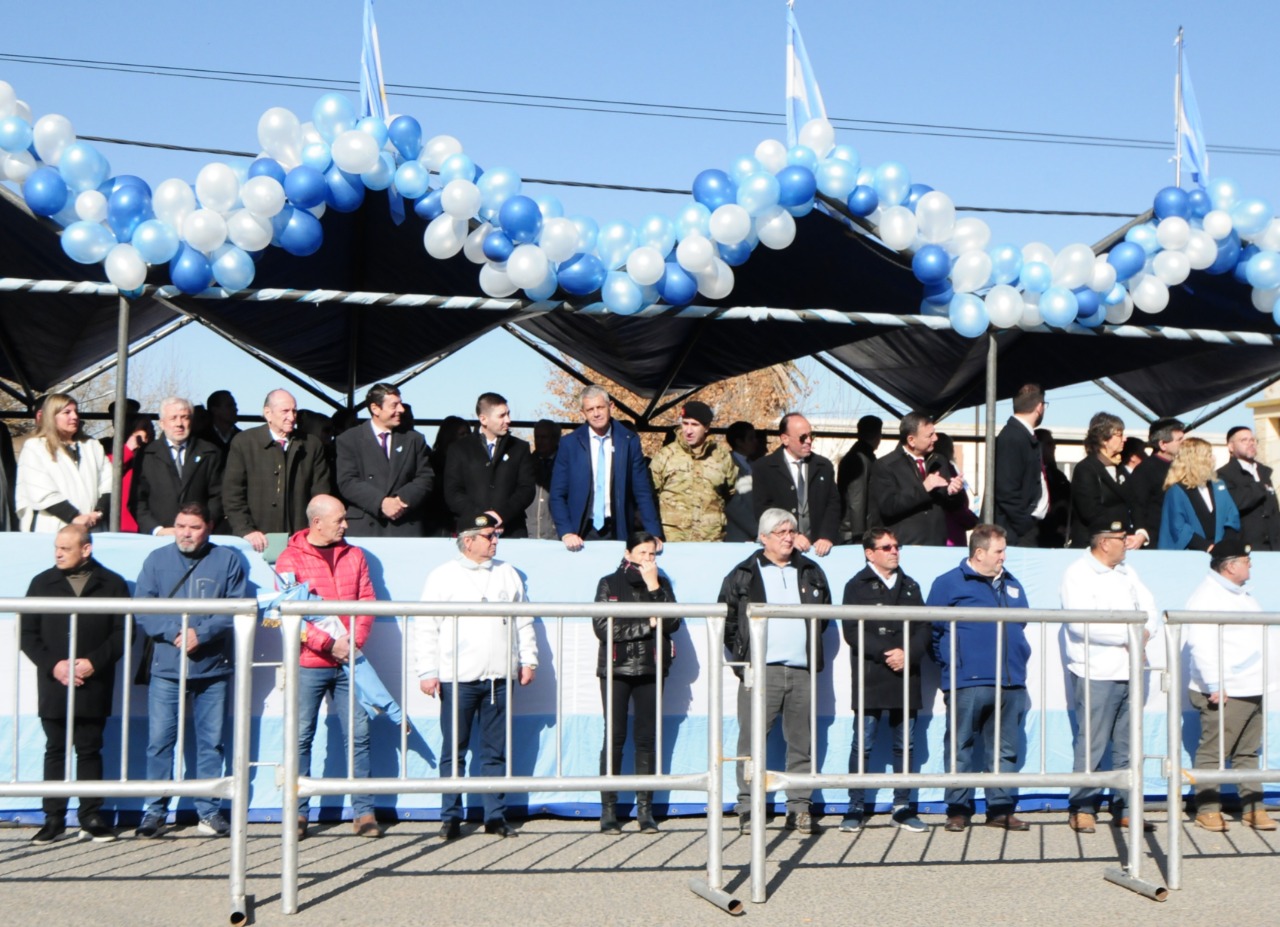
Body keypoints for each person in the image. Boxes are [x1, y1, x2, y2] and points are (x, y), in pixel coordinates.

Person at [417, 514, 538, 839]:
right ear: (468, 540)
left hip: (499, 677)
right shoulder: (442, 576)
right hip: (457, 678)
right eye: (488, 535)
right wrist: (427, 671)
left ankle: (495, 816)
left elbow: (523, 621)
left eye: (496, 535)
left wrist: (529, 660)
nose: (495, 540)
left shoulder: (507, 573)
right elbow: (427, 627)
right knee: (454, 750)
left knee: (495, 751)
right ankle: (450, 816)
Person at [134, 502, 248, 838]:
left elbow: (235, 606)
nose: (185, 532)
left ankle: (209, 812)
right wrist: (174, 633)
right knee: (159, 742)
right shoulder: (156, 560)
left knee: (211, 743)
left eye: (193, 527)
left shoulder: (227, 560)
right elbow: (144, 607)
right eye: (180, 525)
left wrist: (204, 632)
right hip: (167, 668)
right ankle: (154, 812)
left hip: (212, 669)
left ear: (208, 527)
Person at [276, 495, 382, 839]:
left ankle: (364, 812)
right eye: (339, 520)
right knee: (301, 737)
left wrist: (353, 643)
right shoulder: (289, 559)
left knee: (359, 735)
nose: (346, 525)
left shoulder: (356, 555)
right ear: (316, 522)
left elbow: (367, 601)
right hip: (309, 662)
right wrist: (328, 644)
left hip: (350, 659)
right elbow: (289, 613)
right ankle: (297, 812)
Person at [721, 507, 831, 835]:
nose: (787, 538)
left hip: (801, 671)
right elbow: (729, 621)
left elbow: (823, 616)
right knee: (751, 744)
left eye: (791, 531)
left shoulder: (811, 570)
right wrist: (744, 656)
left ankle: (799, 808)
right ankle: (749, 807)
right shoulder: (743, 573)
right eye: (780, 533)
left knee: (801, 743)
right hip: (760, 672)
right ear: (763, 538)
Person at [19, 525, 128, 844]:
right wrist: (55, 665)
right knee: (55, 749)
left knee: (90, 748)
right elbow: (28, 634)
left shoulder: (112, 584)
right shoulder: (42, 583)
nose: (58, 553)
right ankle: (53, 819)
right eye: (56, 547)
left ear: (86, 549)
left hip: (94, 683)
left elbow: (123, 632)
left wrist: (94, 662)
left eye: (65, 548)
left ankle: (91, 816)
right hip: (55, 683)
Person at [1059, 516, 1161, 834]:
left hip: (1131, 669)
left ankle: (1126, 805)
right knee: (1093, 741)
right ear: (1105, 542)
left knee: (1127, 743)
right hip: (1096, 671)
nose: (1127, 542)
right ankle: (1083, 806)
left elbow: (1151, 608)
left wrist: (1144, 632)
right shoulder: (1077, 574)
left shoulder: (1127, 572)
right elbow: (1082, 624)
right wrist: (1130, 635)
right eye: (1121, 538)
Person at [928, 524, 1031, 832]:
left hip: (1011, 681)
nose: (1004, 557)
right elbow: (932, 631)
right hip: (968, 681)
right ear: (979, 553)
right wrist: (952, 662)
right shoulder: (948, 583)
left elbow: (1021, 625)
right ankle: (958, 809)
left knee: (1005, 749)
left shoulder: (1012, 583)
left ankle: (1000, 808)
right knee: (961, 746)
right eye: (999, 551)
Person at [838, 527, 929, 834]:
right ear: (869, 553)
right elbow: (852, 631)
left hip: (906, 674)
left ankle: (901, 807)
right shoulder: (856, 586)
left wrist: (909, 654)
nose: (894, 551)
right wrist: (886, 653)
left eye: (897, 546)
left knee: (906, 744)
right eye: (887, 547)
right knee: (862, 743)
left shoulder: (911, 586)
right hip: (871, 675)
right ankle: (855, 806)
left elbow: (924, 629)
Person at [1183, 538, 1277, 832]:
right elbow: (1201, 644)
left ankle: (1252, 806)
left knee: (1249, 751)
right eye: (1246, 561)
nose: (1251, 565)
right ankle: (1208, 808)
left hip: (1250, 685)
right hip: (1227, 687)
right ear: (1231, 566)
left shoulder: (1240, 594)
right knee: (1214, 750)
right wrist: (1214, 683)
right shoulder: (1207, 597)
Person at [592, 531, 680, 834]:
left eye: (653, 554)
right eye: (642, 553)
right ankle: (609, 811)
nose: (648, 559)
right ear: (628, 554)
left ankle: (645, 811)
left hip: (652, 668)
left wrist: (655, 587)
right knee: (614, 737)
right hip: (616, 668)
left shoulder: (662, 583)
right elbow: (604, 628)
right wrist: (648, 624)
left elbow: (673, 622)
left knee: (646, 738)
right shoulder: (608, 582)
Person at [549, 385, 662, 550]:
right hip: (580, 531)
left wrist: (654, 532)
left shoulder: (629, 441)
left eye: (600, 407)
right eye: (590, 409)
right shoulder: (569, 444)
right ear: (583, 413)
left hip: (619, 528)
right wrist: (566, 532)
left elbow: (642, 491)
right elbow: (557, 494)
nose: (596, 413)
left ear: (611, 406)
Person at [222, 389, 333, 553]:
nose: (292, 417)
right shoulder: (244, 443)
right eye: (285, 411)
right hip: (257, 538)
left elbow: (321, 493)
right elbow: (233, 494)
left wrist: (313, 532)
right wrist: (246, 530)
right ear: (268, 413)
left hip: (301, 539)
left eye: (294, 411)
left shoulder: (311, 445)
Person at [334, 383, 433, 537]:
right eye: (394, 405)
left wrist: (400, 500)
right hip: (367, 525)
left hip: (405, 524)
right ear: (375, 409)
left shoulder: (414, 439)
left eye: (400, 403)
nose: (401, 409)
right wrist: (381, 503)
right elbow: (347, 481)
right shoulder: (349, 439)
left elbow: (425, 478)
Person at [15, 393, 112, 533]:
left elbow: (108, 482)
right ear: (51, 416)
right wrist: (74, 517)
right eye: (67, 412)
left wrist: (98, 512)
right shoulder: (35, 447)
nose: (74, 416)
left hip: (92, 528)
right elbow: (40, 490)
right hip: (51, 528)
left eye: (76, 411)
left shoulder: (92, 445)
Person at [867, 411, 965, 546]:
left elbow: (955, 507)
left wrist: (954, 492)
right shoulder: (886, 465)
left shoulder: (939, 461)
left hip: (937, 544)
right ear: (911, 440)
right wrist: (924, 488)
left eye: (934, 433)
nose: (936, 438)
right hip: (904, 546)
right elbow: (888, 506)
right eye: (929, 435)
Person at [444, 392, 536, 537]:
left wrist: (501, 515)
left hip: (512, 530)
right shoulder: (459, 449)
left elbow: (526, 489)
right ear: (483, 419)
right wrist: (482, 518)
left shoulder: (520, 448)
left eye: (508, 414)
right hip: (472, 531)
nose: (508, 420)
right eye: (501, 416)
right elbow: (453, 491)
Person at [132, 397, 225, 536]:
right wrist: (157, 530)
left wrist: (202, 526)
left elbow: (218, 496)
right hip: (158, 537)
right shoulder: (146, 454)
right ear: (162, 423)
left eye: (184, 417)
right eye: (173, 418)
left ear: (191, 421)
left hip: (199, 536)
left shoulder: (210, 452)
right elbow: (137, 500)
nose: (179, 424)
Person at [649, 400, 739, 542]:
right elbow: (650, 493)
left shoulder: (721, 457)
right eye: (685, 423)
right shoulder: (665, 455)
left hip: (710, 540)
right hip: (673, 539)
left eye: (695, 425)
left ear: (707, 427)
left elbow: (729, 492)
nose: (688, 431)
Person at [751, 412, 839, 556]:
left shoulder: (823, 466)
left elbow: (833, 504)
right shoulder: (764, 467)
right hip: (781, 550)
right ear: (785, 439)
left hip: (818, 548)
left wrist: (826, 536)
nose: (809, 441)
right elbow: (763, 508)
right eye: (803, 437)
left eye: (812, 436)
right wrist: (791, 535)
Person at [1068, 412, 1144, 549]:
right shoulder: (1086, 469)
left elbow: (1134, 502)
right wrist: (1121, 531)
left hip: (1122, 545)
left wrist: (1140, 533)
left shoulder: (1120, 468)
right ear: (1104, 439)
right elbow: (1090, 512)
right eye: (1119, 435)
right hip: (1095, 547)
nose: (1124, 439)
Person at [1158, 437, 1241, 551]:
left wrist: (1223, 546)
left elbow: (1232, 517)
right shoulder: (1177, 490)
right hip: (1191, 555)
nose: (1213, 458)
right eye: (1208, 455)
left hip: (1221, 554)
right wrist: (1207, 547)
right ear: (1195, 459)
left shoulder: (1218, 486)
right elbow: (1179, 527)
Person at [993, 384, 1048, 547]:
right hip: (1015, 533)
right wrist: (1024, 524)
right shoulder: (1013, 437)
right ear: (1039, 407)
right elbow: (1006, 490)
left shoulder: (1021, 436)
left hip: (1021, 529)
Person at [1217, 426, 1280, 551]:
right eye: (1244, 440)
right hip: (1247, 547)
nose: (1250, 443)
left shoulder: (1264, 472)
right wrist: (1260, 487)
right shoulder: (1224, 474)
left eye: (1253, 440)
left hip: (1274, 547)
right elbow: (1236, 502)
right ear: (1231, 446)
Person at [1126, 417, 1185, 543]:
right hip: (1157, 538)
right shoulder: (1145, 469)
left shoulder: (1182, 466)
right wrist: (1142, 533)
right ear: (1163, 444)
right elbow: (1138, 505)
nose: (1184, 443)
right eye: (1179, 440)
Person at [837, 415, 883, 545]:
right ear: (877, 435)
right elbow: (857, 500)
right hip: (855, 533)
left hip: (856, 530)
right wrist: (859, 536)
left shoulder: (860, 456)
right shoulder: (859, 459)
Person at [425, 415, 470, 536]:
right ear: (449, 436)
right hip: (437, 521)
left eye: (467, 434)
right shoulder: (433, 461)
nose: (466, 438)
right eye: (462, 434)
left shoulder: (471, 461)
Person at [524, 419, 561, 540]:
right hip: (529, 533)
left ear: (555, 438)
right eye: (537, 437)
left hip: (556, 535)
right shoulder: (525, 464)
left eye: (544, 437)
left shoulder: (565, 465)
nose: (539, 441)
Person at [1036, 428, 1072, 548]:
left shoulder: (1057, 475)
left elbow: (1069, 497)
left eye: (1054, 444)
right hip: (1039, 537)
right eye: (1049, 444)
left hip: (1060, 537)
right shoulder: (1031, 474)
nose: (1053, 448)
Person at [198, 390, 240, 457]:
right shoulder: (200, 439)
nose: (235, 409)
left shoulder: (242, 438)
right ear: (215, 410)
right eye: (229, 406)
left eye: (235, 405)